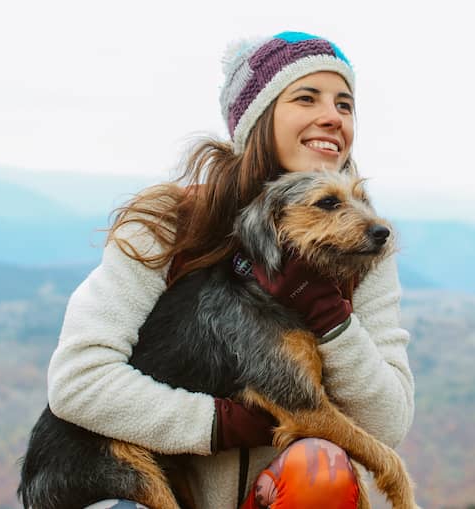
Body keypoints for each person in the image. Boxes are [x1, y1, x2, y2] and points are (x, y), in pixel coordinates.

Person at [46, 31, 415, 508]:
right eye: (307, 97)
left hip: (278, 497)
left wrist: (332, 320)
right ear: (258, 118)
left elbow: (387, 424)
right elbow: (78, 381)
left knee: (323, 471)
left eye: (345, 105)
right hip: (120, 484)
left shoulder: (364, 250)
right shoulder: (170, 221)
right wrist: (220, 423)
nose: (333, 116)